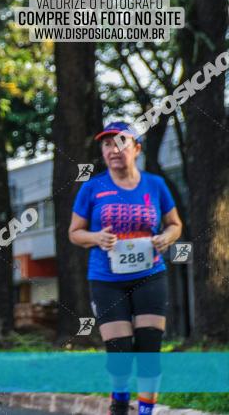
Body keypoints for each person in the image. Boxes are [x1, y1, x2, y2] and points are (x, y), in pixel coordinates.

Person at [69, 122, 183, 415]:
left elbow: (175, 224)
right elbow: (74, 233)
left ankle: (145, 411)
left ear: (136, 149)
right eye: (107, 144)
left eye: (121, 143)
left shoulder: (155, 185)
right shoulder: (92, 188)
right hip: (107, 279)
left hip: (150, 275)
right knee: (119, 351)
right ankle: (119, 404)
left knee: (149, 348)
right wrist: (96, 237)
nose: (113, 149)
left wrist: (165, 238)